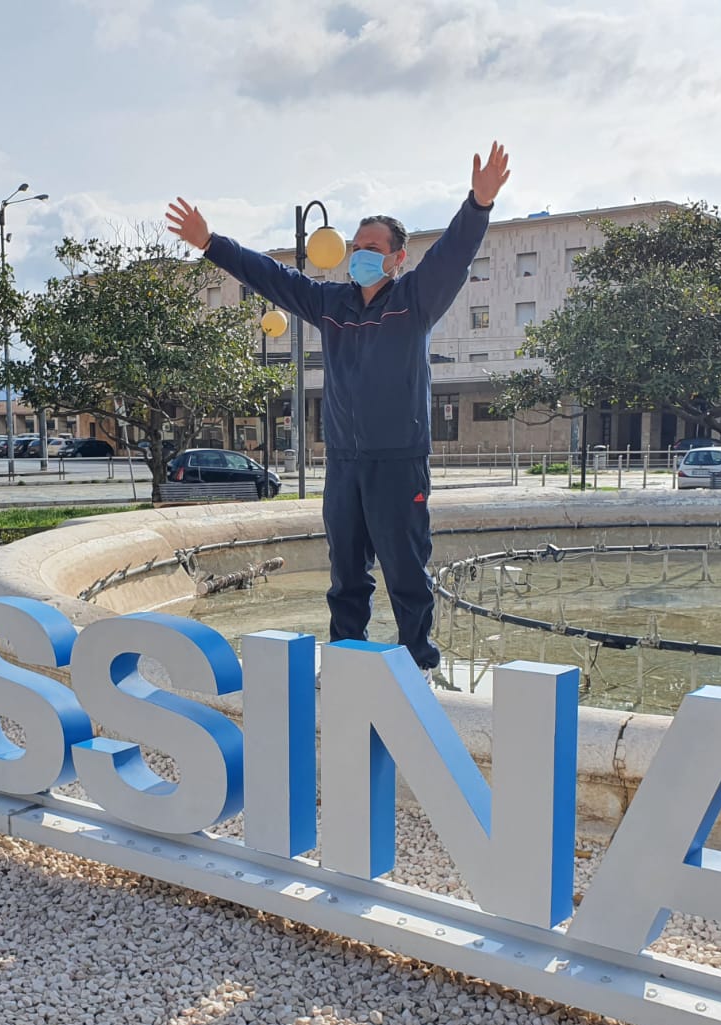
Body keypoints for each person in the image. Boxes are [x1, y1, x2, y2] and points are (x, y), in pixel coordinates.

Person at [166, 143, 511, 681]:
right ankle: (347, 663)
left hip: (399, 462)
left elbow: (453, 255)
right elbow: (272, 277)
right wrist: (211, 243)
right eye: (356, 246)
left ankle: (419, 666)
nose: (360, 254)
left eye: (373, 247)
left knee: (406, 572)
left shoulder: (415, 300)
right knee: (346, 574)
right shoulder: (332, 306)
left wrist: (479, 204)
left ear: (397, 258)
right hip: (344, 463)